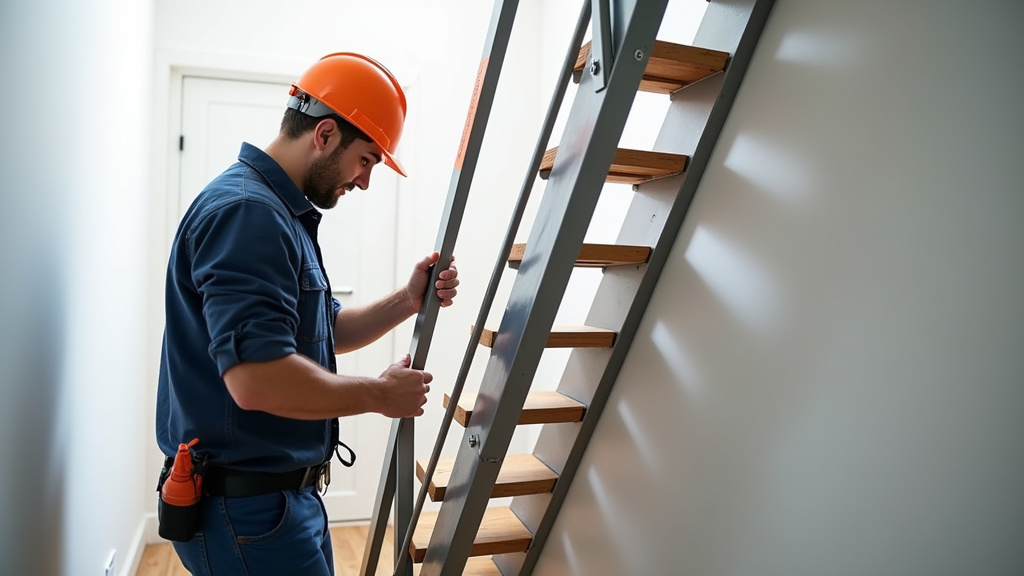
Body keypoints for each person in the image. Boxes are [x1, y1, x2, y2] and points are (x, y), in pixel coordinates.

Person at [155, 52, 459, 575]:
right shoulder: (248, 213)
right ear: (323, 135)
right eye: (365, 159)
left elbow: (321, 331)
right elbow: (258, 380)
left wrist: (407, 300)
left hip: (277, 504)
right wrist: (379, 395)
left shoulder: (278, 212)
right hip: (247, 514)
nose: (364, 181)